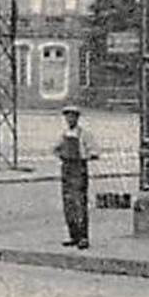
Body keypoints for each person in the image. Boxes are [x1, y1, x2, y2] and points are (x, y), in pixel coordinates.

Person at [54, 104, 98, 249]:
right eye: (67, 116)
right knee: (68, 204)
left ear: (77, 118)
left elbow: (94, 151)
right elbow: (55, 148)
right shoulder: (64, 134)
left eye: (72, 116)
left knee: (80, 203)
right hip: (66, 168)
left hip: (79, 169)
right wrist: (60, 154)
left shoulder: (84, 134)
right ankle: (73, 235)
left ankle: (83, 237)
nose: (69, 119)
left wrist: (87, 155)